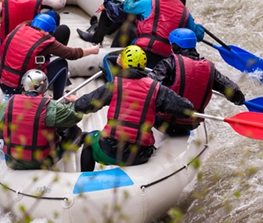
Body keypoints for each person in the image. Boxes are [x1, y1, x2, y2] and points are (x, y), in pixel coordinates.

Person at [64, 46, 195, 171]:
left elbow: (84, 105)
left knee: (89, 140)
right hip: (141, 153)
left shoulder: (114, 85)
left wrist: (75, 102)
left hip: (111, 149)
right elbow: (187, 109)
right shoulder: (157, 89)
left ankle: (85, 179)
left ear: (123, 64)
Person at [148, 28, 246, 136]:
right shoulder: (210, 69)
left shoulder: (169, 63)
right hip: (190, 124)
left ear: (176, 46)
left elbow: (147, 85)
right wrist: (240, 100)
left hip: (163, 121)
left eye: (172, 45)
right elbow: (234, 91)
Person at [0, 13, 99, 100]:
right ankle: (59, 99)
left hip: (2, 83)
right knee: (62, 63)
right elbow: (72, 54)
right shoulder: (46, 41)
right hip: (21, 89)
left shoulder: (20, 28)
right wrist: (92, 50)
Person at [0, 69, 83, 170]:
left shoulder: (7, 104)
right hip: (40, 163)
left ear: (23, 86)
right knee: (74, 130)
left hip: (12, 161)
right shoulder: (50, 106)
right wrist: (76, 102)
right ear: (44, 87)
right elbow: (75, 116)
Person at [123, 0, 204, 69]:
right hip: (166, 59)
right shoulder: (185, 12)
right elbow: (198, 36)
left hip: (143, 51)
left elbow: (128, 6)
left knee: (111, 57)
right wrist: (199, 24)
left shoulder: (149, 3)